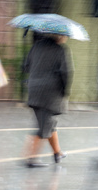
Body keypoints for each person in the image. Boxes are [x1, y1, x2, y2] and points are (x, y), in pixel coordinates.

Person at [23, 33, 72, 167]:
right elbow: (66, 72)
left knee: (49, 123)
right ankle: (31, 158)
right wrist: (65, 91)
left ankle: (58, 153)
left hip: (34, 90)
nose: (66, 38)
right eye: (65, 35)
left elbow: (26, 66)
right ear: (60, 36)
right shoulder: (60, 50)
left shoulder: (36, 46)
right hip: (50, 93)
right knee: (44, 126)